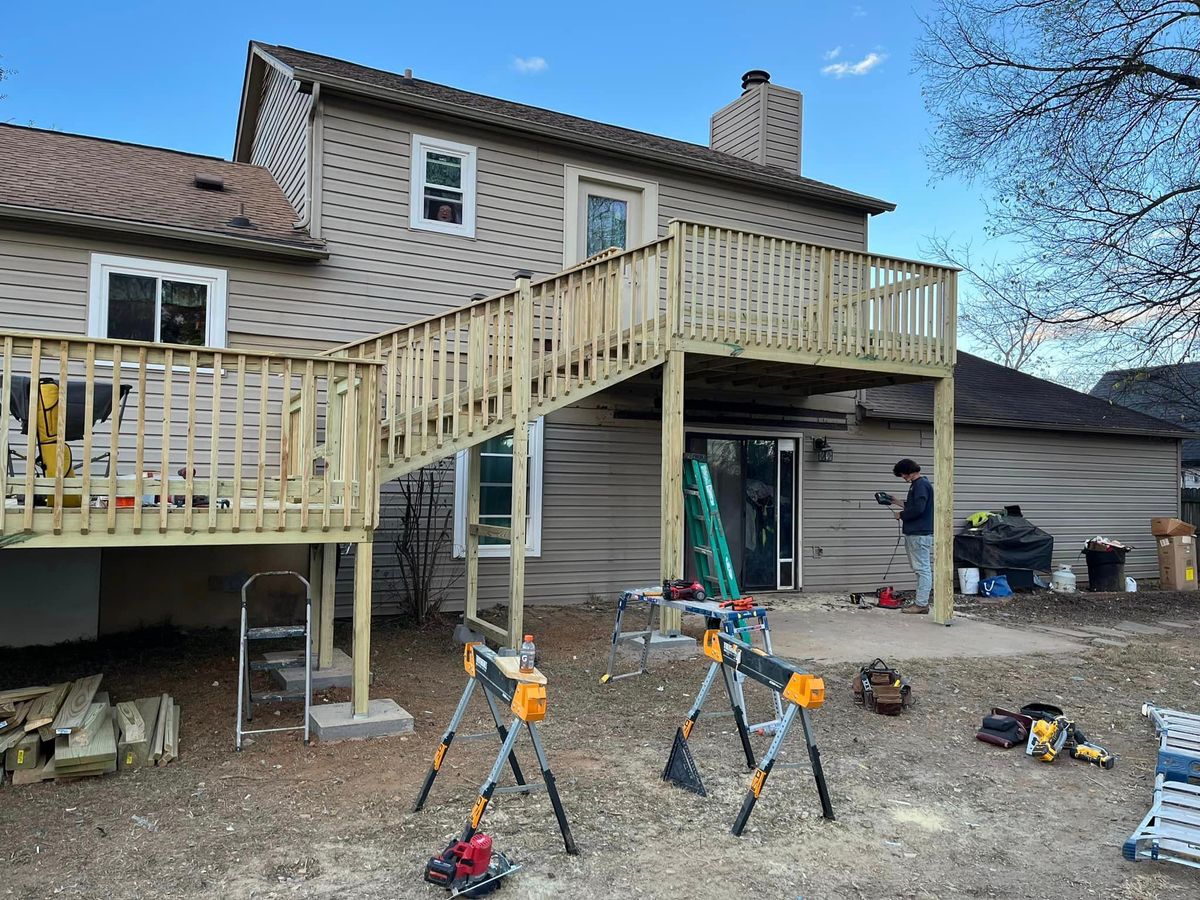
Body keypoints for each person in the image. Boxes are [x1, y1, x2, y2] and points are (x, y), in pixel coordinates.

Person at [888, 458, 933, 614]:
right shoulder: (919, 485)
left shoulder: (920, 485)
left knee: (922, 570)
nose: (903, 478)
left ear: (908, 471)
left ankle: (921, 604)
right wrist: (897, 502)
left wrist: (901, 514)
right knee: (920, 569)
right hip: (917, 533)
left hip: (919, 534)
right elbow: (916, 505)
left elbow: (919, 509)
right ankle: (921, 602)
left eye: (902, 474)